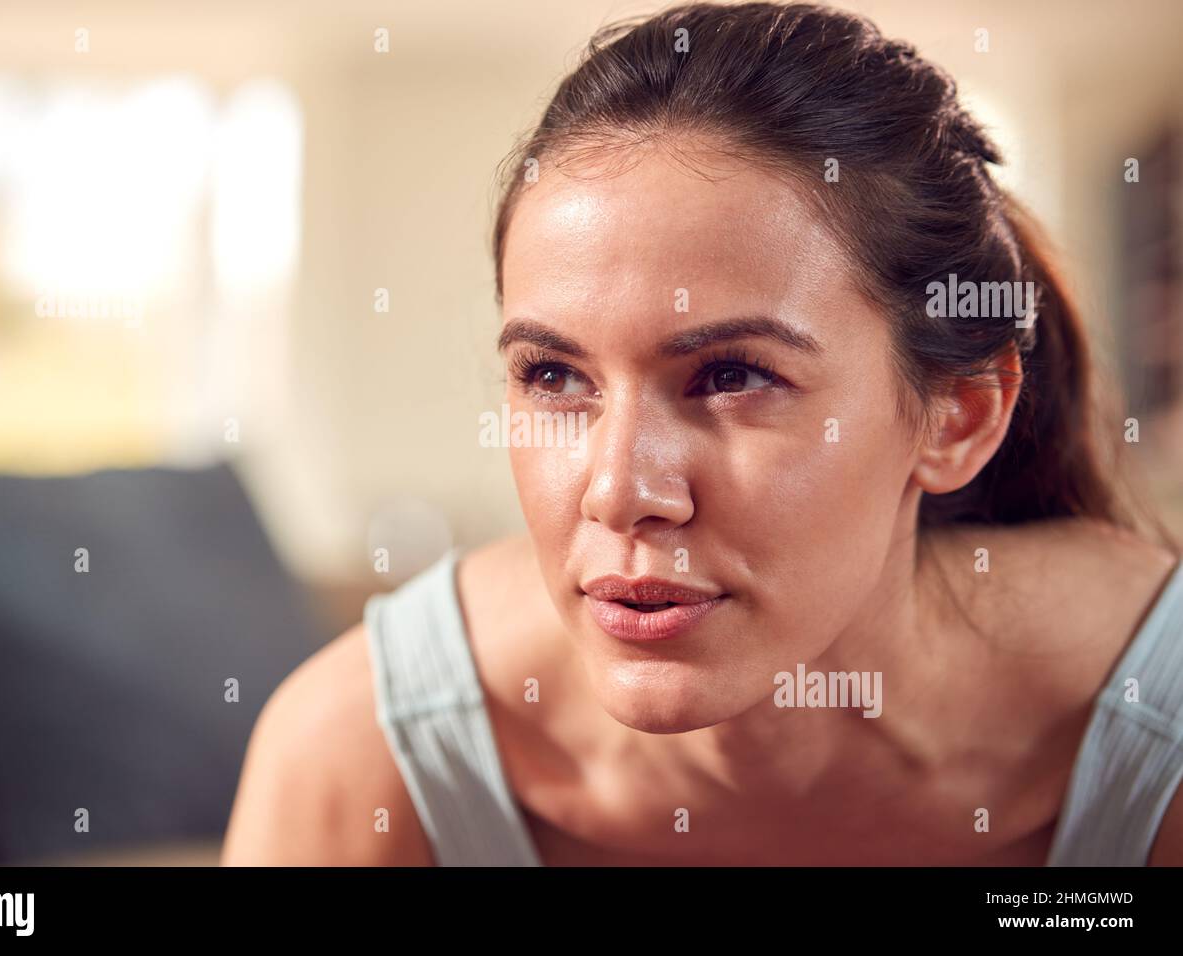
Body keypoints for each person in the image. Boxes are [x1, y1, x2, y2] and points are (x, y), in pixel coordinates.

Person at [222, 1, 1183, 866]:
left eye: (731, 377)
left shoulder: (1156, 728)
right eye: (555, 376)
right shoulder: (363, 753)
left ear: (957, 416)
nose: (617, 490)